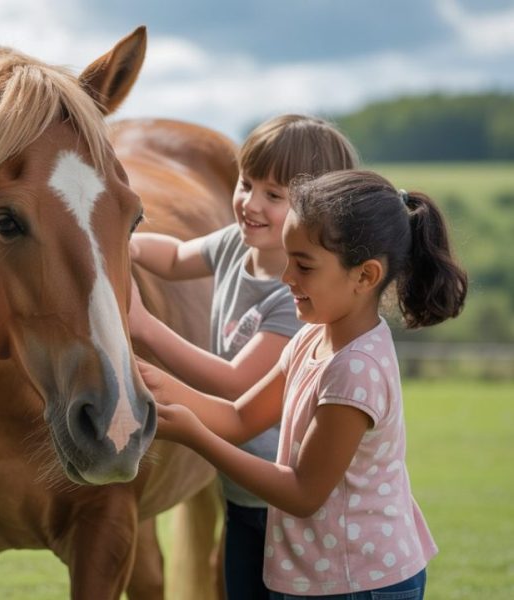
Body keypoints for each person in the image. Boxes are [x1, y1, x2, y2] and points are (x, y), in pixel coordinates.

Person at [142, 169, 467, 598]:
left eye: (304, 265)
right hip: (321, 576)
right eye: (288, 258)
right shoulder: (313, 336)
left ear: (365, 276)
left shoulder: (355, 370)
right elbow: (240, 418)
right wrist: (144, 378)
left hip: (359, 582)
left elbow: (302, 493)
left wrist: (193, 436)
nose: (286, 277)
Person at [129, 114, 358, 599]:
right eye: (246, 184)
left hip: (288, 502)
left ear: (319, 209)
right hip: (241, 492)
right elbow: (172, 258)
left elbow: (237, 384)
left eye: (273, 196)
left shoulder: (297, 297)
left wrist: (144, 325)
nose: (249, 204)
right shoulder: (235, 245)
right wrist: (111, 241)